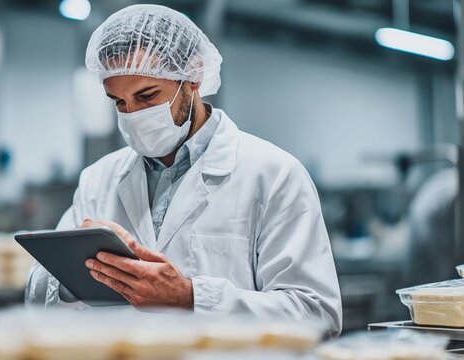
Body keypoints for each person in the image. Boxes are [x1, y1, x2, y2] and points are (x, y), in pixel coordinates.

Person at [25, 4, 342, 336]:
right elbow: (37, 295)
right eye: (119, 102)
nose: (132, 115)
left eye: (146, 96)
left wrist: (191, 298)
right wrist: (75, 281)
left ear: (193, 76)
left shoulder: (274, 175)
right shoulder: (98, 180)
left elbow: (316, 314)